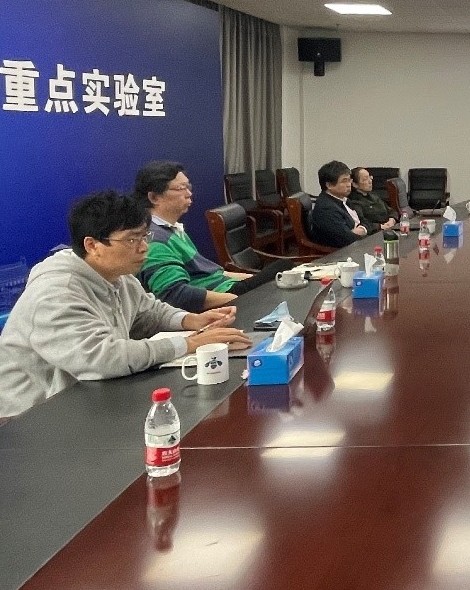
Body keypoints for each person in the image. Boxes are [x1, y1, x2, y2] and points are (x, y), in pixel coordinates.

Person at [0, 191, 251, 420]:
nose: (144, 247)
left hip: (85, 395)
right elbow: (103, 358)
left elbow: (148, 311)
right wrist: (189, 344)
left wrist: (189, 320)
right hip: (28, 418)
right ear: (92, 245)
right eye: (131, 240)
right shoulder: (55, 294)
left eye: (144, 236)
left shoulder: (117, 274)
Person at [135, 160, 292, 312]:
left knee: (283, 272)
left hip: (225, 286)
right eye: (181, 188)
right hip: (221, 297)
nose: (189, 194)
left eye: (188, 187)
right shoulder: (154, 241)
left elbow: (214, 273)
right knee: (285, 268)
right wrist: (241, 298)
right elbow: (177, 296)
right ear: (154, 197)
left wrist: (252, 279)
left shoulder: (172, 229)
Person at [310, 160, 369, 248]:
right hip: (342, 252)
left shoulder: (344, 199)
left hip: (358, 244)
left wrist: (361, 229)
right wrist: (358, 231)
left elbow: (365, 221)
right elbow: (347, 239)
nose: (349, 184)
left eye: (349, 180)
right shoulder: (326, 208)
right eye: (344, 181)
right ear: (329, 185)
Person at [347, 167, 398, 233]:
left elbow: (391, 211)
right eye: (365, 179)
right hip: (374, 232)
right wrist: (380, 226)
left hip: (389, 227)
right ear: (355, 184)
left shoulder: (373, 195)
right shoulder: (354, 201)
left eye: (370, 177)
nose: (370, 181)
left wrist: (392, 220)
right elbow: (362, 222)